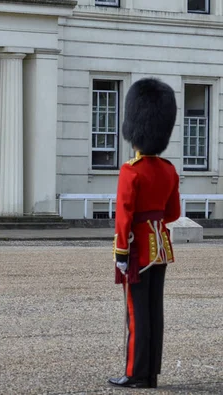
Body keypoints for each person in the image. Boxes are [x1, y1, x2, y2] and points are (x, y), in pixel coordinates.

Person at [109, 78, 181, 389]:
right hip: (160, 246)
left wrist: (121, 252)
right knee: (154, 309)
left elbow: (123, 216)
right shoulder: (168, 169)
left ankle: (135, 373)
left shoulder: (131, 171)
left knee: (136, 313)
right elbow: (173, 213)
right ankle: (150, 372)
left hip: (137, 247)